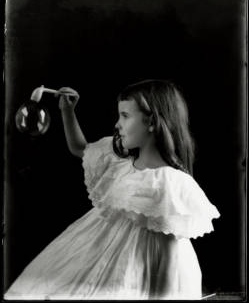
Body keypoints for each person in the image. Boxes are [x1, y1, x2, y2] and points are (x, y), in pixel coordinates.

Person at [5, 79, 220, 300]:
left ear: (152, 122)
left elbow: (171, 258)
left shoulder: (169, 184)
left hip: (134, 268)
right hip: (96, 246)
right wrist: (67, 111)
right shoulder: (120, 159)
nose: (117, 124)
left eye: (125, 116)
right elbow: (80, 148)